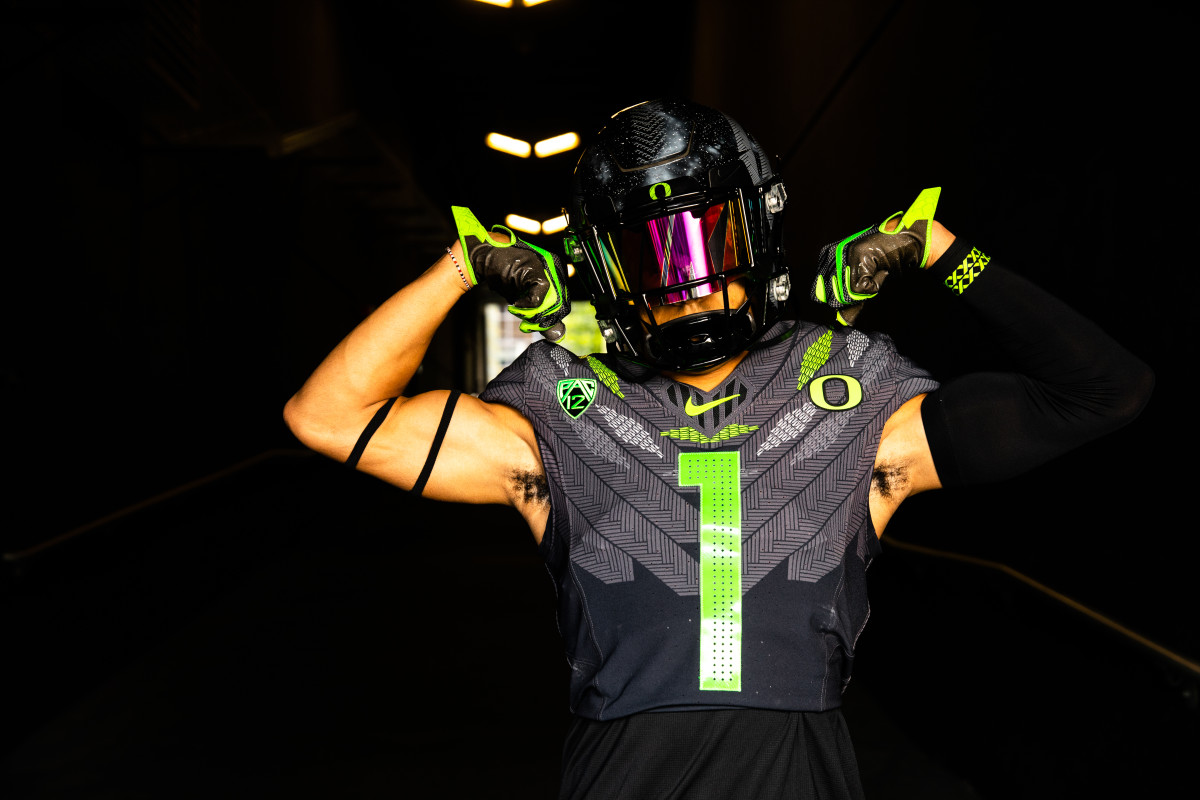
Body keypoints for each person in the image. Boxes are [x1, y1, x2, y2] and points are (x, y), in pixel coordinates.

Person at [283, 99, 1153, 799]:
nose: (687, 279)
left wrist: (941, 251)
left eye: (706, 241)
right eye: (651, 255)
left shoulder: (852, 390)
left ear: (757, 230)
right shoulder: (557, 408)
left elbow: (1105, 391)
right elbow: (328, 416)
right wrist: (461, 269)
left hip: (799, 770)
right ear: (607, 272)